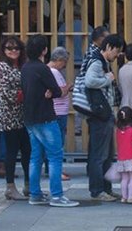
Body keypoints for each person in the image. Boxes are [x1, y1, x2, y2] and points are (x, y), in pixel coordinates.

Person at [21, 34, 78, 207]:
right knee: (55, 156)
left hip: (29, 117)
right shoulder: (42, 69)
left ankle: (35, 194)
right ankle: (57, 195)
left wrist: (50, 92)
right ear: (44, 50)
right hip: (45, 117)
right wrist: (55, 91)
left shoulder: (25, 68)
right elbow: (57, 91)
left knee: (35, 157)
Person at [82, 29, 122, 201]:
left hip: (103, 113)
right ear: (109, 47)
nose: (117, 55)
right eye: (117, 51)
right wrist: (108, 79)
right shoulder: (97, 62)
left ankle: (105, 188)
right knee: (100, 155)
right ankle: (98, 191)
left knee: (105, 154)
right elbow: (89, 81)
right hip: (99, 113)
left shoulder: (100, 60)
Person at [0, 36, 30, 200]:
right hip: (8, 114)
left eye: (16, 48)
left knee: (27, 150)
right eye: (9, 48)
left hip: (24, 114)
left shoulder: (23, 66)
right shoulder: (0, 67)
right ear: (3, 50)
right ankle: (10, 186)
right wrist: (24, 94)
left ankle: (29, 184)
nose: (13, 51)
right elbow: (4, 91)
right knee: (11, 151)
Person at [49, 47, 72, 181]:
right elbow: (59, 92)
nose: (65, 65)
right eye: (64, 62)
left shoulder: (51, 71)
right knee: (57, 144)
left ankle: (53, 169)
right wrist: (68, 87)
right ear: (58, 60)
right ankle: (57, 171)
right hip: (58, 111)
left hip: (57, 111)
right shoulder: (54, 72)